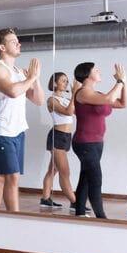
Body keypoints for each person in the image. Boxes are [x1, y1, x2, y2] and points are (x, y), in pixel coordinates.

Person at [0, 28, 44, 212]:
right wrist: (30, 78)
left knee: (2, 176)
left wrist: (36, 80)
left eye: (18, 41)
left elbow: (38, 100)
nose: (18, 44)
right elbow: (12, 91)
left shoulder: (18, 71)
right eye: (13, 41)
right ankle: (15, 218)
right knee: (12, 176)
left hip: (18, 130)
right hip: (2, 131)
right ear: (2, 47)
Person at [72, 62, 127, 218]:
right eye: (96, 69)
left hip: (97, 143)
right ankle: (101, 218)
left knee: (86, 177)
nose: (99, 71)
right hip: (84, 143)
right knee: (96, 178)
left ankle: (80, 213)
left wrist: (125, 82)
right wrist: (119, 81)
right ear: (86, 74)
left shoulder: (97, 94)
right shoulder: (82, 93)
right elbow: (110, 97)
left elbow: (123, 103)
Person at [40, 72, 79, 210]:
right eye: (63, 80)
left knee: (53, 170)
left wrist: (75, 95)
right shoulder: (52, 100)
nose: (66, 83)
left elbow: (75, 110)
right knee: (65, 172)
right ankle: (75, 202)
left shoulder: (66, 99)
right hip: (57, 136)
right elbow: (68, 112)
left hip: (66, 137)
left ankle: (45, 199)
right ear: (55, 83)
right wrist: (74, 94)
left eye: (67, 81)